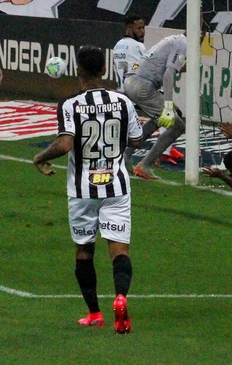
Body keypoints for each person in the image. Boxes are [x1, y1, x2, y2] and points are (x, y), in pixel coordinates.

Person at [33, 45, 143, 333]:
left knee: (84, 250)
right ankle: (120, 298)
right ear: (104, 70)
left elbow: (65, 143)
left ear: (78, 71)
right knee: (119, 249)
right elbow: (136, 141)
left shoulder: (70, 105)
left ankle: (94, 312)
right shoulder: (123, 102)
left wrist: (40, 157)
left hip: (82, 190)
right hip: (116, 187)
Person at [112, 16, 183, 167]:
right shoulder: (138, 47)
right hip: (139, 90)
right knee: (173, 119)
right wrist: (167, 100)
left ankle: (128, 156)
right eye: (139, 28)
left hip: (124, 90)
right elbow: (145, 70)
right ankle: (154, 157)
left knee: (160, 118)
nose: (143, 31)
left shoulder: (118, 45)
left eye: (144, 27)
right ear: (129, 28)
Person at [123, 33, 187, 180]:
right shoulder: (183, 43)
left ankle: (126, 155)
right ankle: (144, 165)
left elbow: (165, 66)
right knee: (177, 126)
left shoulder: (173, 39)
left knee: (160, 119)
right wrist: (168, 106)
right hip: (143, 86)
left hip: (132, 81)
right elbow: (168, 75)